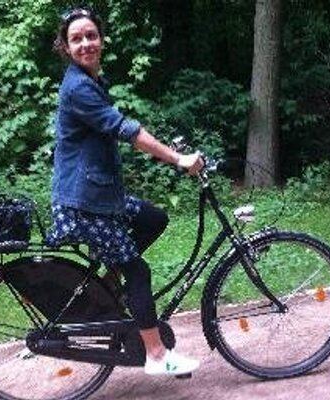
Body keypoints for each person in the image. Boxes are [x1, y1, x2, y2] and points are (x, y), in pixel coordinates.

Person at [49, 6, 203, 376]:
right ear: (66, 47)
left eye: (91, 35)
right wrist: (178, 159)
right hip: (83, 204)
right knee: (138, 271)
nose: (86, 43)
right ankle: (155, 354)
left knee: (154, 218)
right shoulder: (78, 88)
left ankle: (106, 292)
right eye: (77, 38)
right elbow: (126, 131)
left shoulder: (89, 81)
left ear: (100, 39)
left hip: (101, 198)